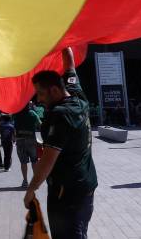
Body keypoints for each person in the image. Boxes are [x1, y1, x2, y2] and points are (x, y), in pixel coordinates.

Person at [23, 47, 97, 238]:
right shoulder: (77, 94)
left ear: (55, 90)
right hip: (85, 187)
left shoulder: (60, 115)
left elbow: (47, 161)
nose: (38, 99)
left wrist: (31, 190)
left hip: (67, 193)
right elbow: (69, 64)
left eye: (41, 93)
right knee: (80, 231)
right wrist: (64, 41)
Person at [14, 101, 42, 188]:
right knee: (34, 161)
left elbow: (13, 125)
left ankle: (25, 181)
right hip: (31, 139)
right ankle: (35, 182)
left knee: (23, 162)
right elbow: (40, 124)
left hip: (20, 140)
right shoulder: (32, 113)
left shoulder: (16, 113)